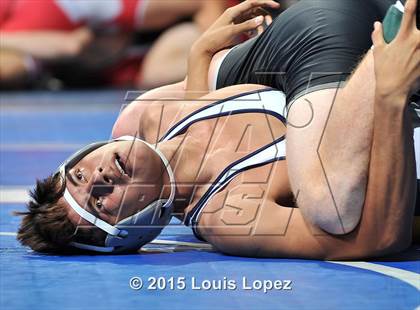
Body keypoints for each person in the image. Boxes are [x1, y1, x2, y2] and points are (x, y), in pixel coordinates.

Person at [16, 0, 419, 258]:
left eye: (81, 175)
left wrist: (201, 53)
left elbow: (371, 240)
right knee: (335, 201)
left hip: (310, 38)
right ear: (133, 231)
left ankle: (395, 34)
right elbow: (374, 241)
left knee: (329, 202)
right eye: (100, 202)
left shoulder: (143, 118)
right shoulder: (226, 217)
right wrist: (391, 97)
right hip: (356, 49)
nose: (100, 178)